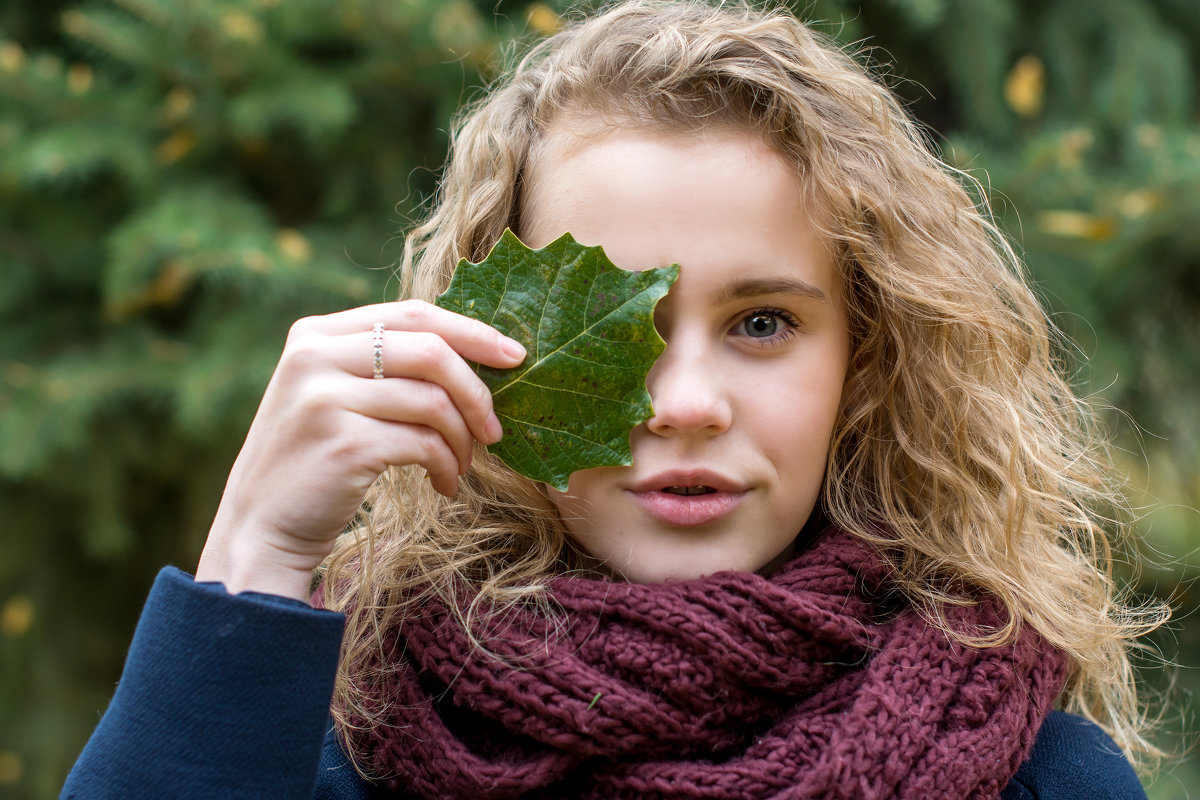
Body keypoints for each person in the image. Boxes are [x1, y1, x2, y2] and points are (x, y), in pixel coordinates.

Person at [62, 1, 1164, 798]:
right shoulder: (328, 738)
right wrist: (255, 551)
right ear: (480, 347)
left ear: (866, 363)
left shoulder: (1032, 774)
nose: (684, 404)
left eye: (763, 323)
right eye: (612, 330)